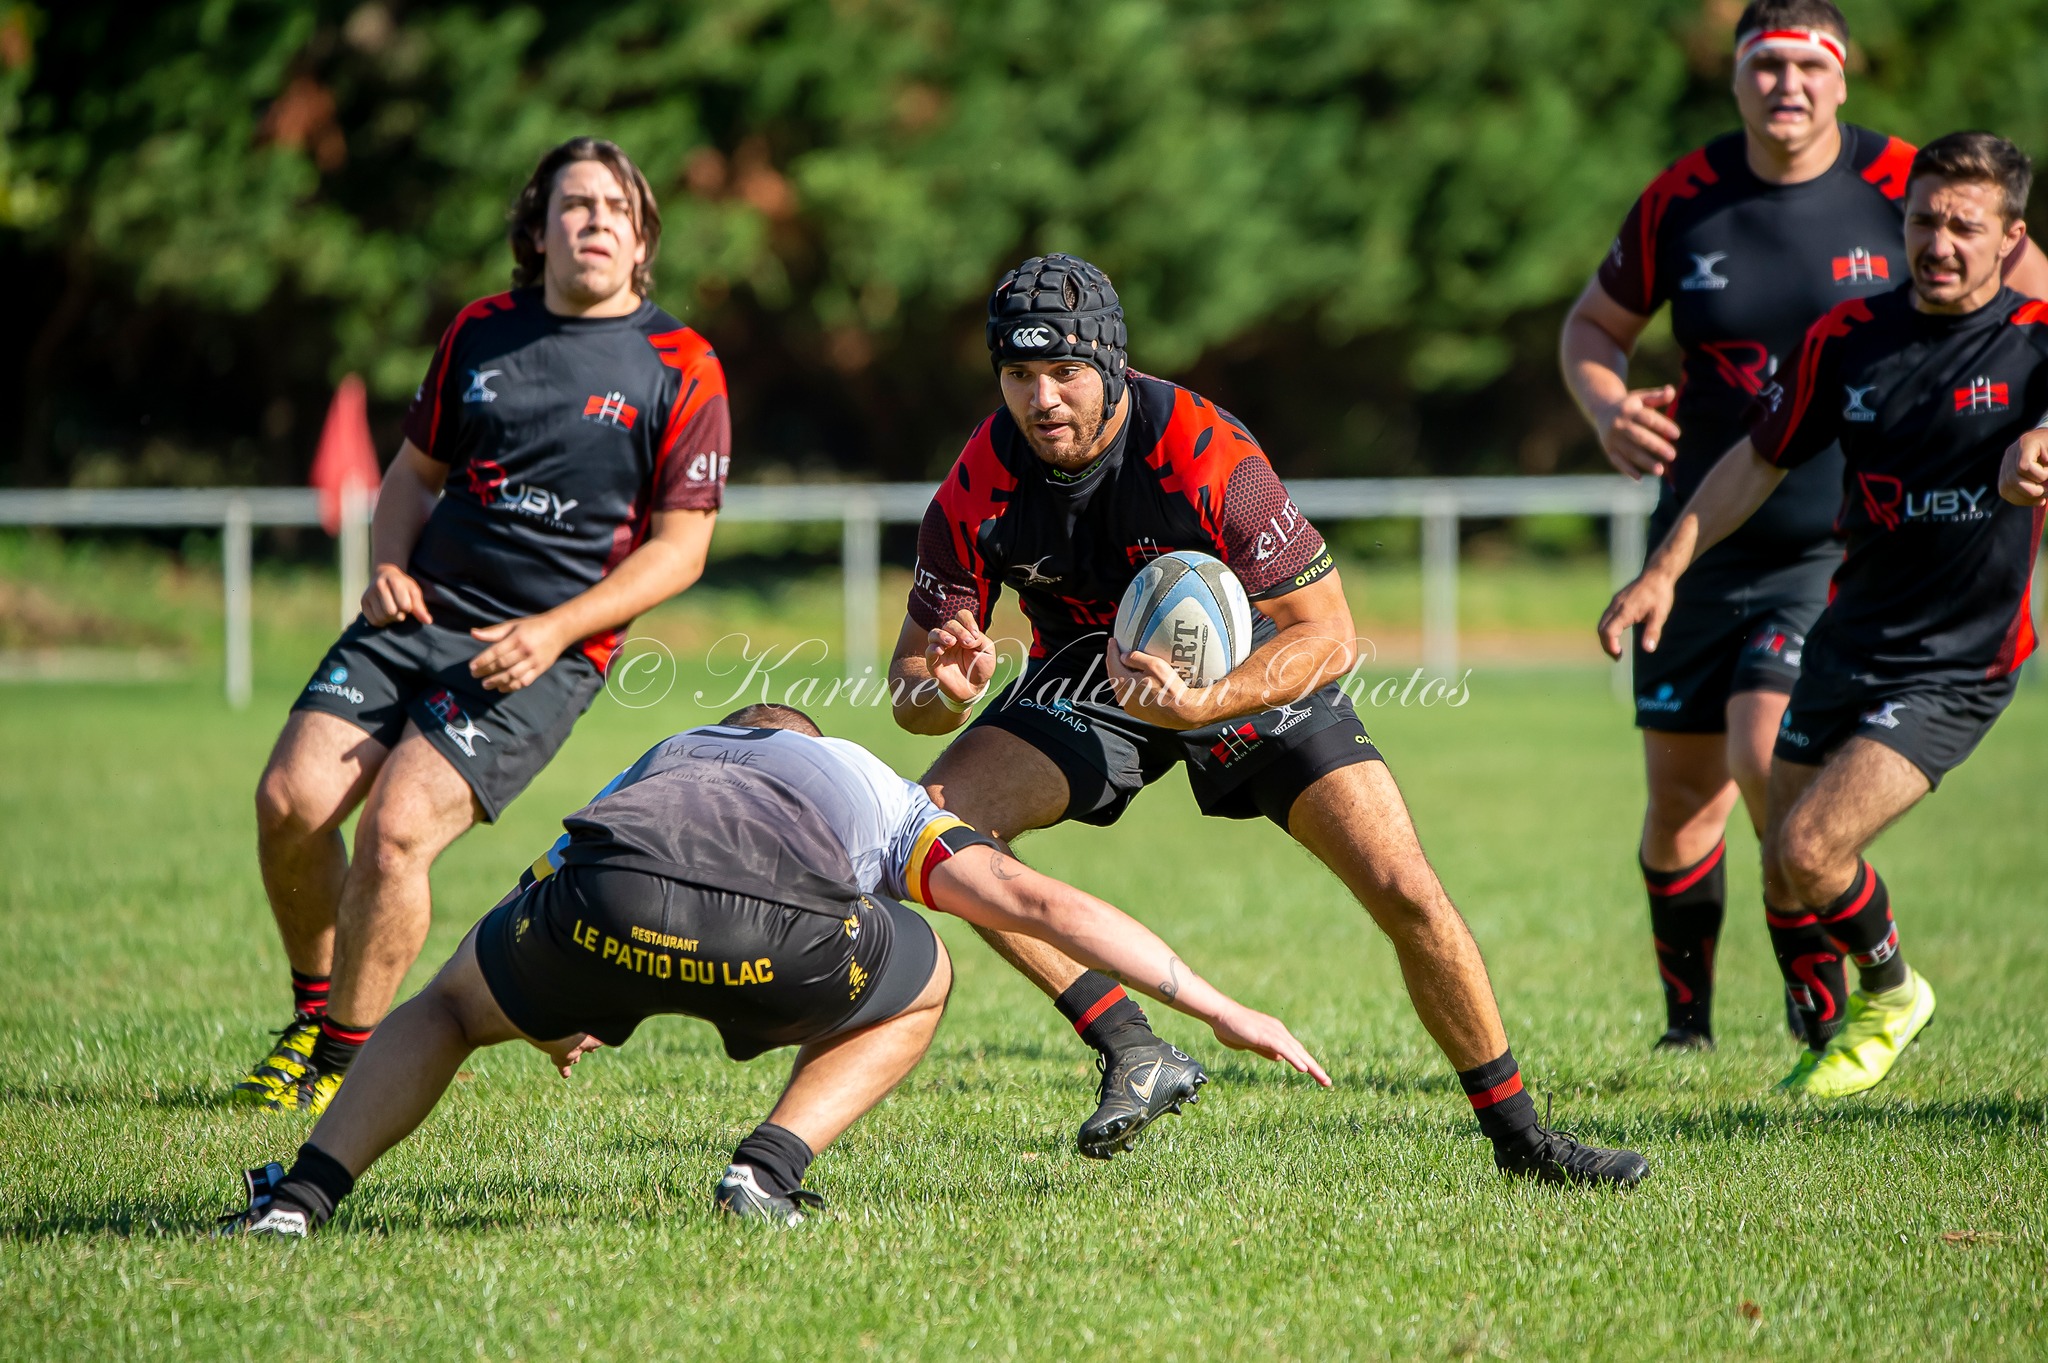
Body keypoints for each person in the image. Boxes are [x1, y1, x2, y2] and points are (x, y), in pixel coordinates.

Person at [887, 252, 1649, 1187]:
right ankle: (1131, 1044)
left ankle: (1523, 1139)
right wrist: (945, 690)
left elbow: (1329, 633)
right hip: (1090, 676)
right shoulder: (978, 484)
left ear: (1112, 362)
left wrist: (1208, 700)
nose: (1041, 399)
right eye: (1018, 374)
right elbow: (911, 688)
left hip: (1247, 668)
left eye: (1065, 371)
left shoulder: (1203, 450)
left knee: (1405, 888)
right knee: (937, 824)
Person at [217, 704, 1329, 1235]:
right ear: (805, 736)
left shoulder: (665, 755)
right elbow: (1036, 903)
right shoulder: (867, 781)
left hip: (602, 902)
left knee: (450, 1006)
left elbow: (550, 883)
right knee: (925, 965)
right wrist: (1217, 1005)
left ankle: (299, 1200)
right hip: (775, 939)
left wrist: (553, 1010)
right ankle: (765, 1171)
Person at [1561, 0, 2048, 1052]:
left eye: (1808, 66)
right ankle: (1686, 1029)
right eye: (1765, 64)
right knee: (1679, 800)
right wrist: (1606, 411)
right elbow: (1592, 328)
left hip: (1832, 543)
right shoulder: (1681, 197)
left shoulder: (1916, 183)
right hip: (1699, 527)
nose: (1787, 85)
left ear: (1842, 77)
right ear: (1736, 77)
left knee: (1765, 760)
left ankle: (1819, 1001)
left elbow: (2032, 317)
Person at [236, 137, 729, 1114]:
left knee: (395, 830)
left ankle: (342, 1064)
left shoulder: (684, 365)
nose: (595, 221)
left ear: (641, 243)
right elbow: (411, 476)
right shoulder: (478, 331)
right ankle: (313, 1016)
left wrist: (553, 630)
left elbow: (681, 549)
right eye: (574, 205)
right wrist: (385, 566)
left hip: (545, 653)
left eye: (617, 209)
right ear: (536, 232)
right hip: (416, 613)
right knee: (290, 800)